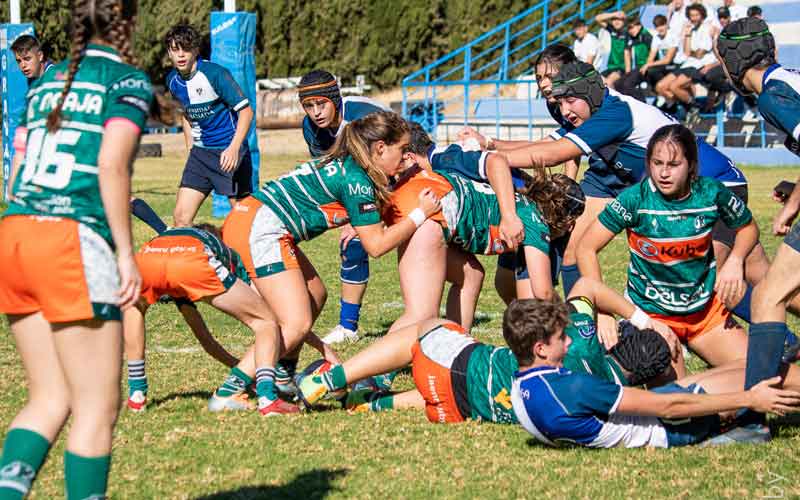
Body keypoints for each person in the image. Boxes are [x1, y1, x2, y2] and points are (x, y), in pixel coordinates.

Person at [459, 60, 759, 324]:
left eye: (569, 101)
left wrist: (486, 161)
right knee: (575, 247)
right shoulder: (594, 112)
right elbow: (541, 146)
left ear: (589, 93)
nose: (564, 111)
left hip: (716, 187)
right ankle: (583, 328)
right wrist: (488, 144)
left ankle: (782, 342)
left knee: (710, 286)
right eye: (559, 103)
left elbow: (553, 154)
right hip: (678, 190)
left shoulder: (614, 114)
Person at [0, 0, 152, 497]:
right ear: (126, 23)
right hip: (70, 237)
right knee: (95, 408)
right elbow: (112, 167)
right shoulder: (125, 80)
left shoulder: (48, 81)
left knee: (48, 397)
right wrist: (125, 255)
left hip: (16, 230)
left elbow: (19, 158)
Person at [221, 111, 440, 415]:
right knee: (294, 322)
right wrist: (421, 213)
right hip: (259, 228)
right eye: (401, 151)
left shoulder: (357, 169)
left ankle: (282, 377)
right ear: (379, 149)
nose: (405, 159)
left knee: (315, 296)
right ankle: (230, 392)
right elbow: (376, 246)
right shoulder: (357, 180)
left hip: (257, 222)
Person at [297, 277, 679, 422]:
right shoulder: (609, 401)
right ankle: (373, 403)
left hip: (461, 367)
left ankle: (331, 379)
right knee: (456, 388)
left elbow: (587, 286)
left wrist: (636, 319)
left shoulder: (581, 338)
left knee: (431, 329)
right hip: (460, 409)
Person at [577, 124, 761, 368]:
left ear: (692, 165)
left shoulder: (711, 192)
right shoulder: (635, 199)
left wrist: (736, 261)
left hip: (705, 314)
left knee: (754, 375)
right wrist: (602, 311)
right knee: (674, 398)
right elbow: (586, 248)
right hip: (653, 318)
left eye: (673, 165)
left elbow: (748, 228)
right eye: (657, 163)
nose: (663, 173)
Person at [508, 296, 800, 448]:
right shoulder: (573, 388)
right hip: (674, 427)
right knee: (769, 373)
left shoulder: (521, 389)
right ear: (540, 349)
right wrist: (749, 398)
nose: (569, 341)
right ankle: (744, 425)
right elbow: (670, 407)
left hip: (660, 412)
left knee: (742, 366)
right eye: (562, 338)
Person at [384, 125, 582, 332]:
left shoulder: (524, 204)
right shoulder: (534, 222)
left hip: (429, 207)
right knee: (421, 314)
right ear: (566, 222)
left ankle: (454, 347)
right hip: (433, 213)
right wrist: (570, 322)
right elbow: (543, 293)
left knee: (472, 274)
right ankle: (363, 365)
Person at [123, 224, 305, 414]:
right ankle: (268, 398)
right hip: (192, 259)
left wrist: (243, 371)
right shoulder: (223, 248)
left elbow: (205, 339)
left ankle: (137, 396)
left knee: (135, 308)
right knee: (265, 321)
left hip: (147, 258)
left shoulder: (172, 241)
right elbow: (273, 309)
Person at [716, 17, 800, 421]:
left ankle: (753, 417)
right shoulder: (788, 79)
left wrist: (791, 204)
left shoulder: (772, 95)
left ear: (731, 65)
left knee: (768, 297)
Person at [296, 69, 390, 345]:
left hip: (399, 174)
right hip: (366, 183)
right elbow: (333, 172)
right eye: (309, 106)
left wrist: (357, 218)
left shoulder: (362, 117)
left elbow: (390, 164)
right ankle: (348, 327)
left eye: (321, 104)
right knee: (352, 243)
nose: (316, 112)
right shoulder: (310, 128)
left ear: (335, 100)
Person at [165, 24, 254, 227]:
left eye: (185, 49)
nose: (180, 55)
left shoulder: (215, 74)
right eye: (174, 49)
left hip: (228, 152)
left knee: (244, 220)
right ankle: (191, 259)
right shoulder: (172, 81)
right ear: (169, 53)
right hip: (201, 155)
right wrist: (191, 149)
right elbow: (186, 115)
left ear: (195, 50)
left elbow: (246, 112)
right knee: (181, 219)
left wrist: (233, 148)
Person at [664, 4, 719, 115]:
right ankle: (688, 107)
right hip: (688, 63)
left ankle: (696, 108)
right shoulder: (691, 29)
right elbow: (687, 52)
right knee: (662, 86)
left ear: (702, 16)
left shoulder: (707, 28)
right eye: (691, 16)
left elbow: (699, 54)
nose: (693, 18)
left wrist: (692, 52)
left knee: (674, 86)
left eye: (696, 15)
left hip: (701, 65)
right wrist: (687, 35)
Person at [615, 16, 655, 101]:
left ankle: (642, 104)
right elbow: (627, 52)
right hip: (638, 67)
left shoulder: (646, 35)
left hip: (648, 67)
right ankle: (629, 104)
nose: (630, 31)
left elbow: (653, 53)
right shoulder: (630, 36)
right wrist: (628, 72)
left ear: (639, 26)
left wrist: (647, 65)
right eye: (629, 28)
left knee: (627, 84)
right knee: (618, 83)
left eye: (632, 28)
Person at [595, 10, 628, 88]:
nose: (616, 21)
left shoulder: (628, 32)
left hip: (622, 68)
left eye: (619, 19)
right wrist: (614, 14)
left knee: (608, 82)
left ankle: (613, 100)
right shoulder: (612, 30)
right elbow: (597, 18)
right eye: (614, 19)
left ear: (624, 21)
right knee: (595, 81)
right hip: (611, 67)